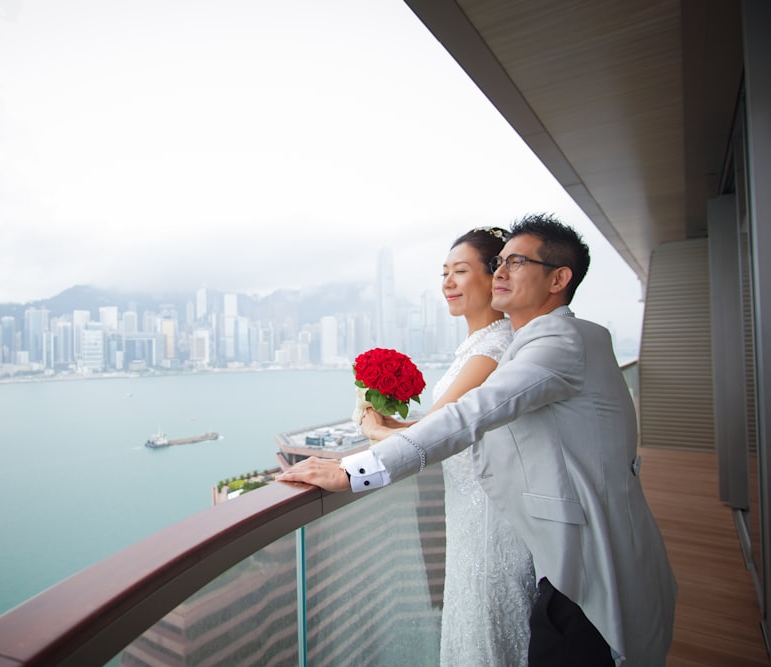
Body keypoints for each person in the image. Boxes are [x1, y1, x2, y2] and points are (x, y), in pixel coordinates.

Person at [277, 213, 677, 666]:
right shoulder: (552, 338)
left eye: (516, 262)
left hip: (584, 566)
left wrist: (354, 470)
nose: (500, 273)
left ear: (558, 279)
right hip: (562, 553)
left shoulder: (557, 343)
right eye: (499, 262)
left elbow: (470, 414)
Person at [366, 226, 536, 665]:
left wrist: (378, 436)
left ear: (495, 277)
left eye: (460, 271)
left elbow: (442, 431)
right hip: (467, 510)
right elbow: (444, 422)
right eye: (444, 272)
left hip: (488, 519)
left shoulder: (494, 348)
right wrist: (394, 422)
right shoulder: (477, 346)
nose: (447, 283)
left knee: (487, 628)